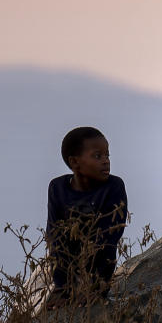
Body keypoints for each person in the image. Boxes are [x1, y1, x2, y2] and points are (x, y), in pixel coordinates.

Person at [45, 126, 128, 307]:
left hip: (98, 270)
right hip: (66, 268)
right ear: (75, 163)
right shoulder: (57, 188)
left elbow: (108, 240)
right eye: (97, 156)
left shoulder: (113, 187)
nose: (106, 161)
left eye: (107, 155)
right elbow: (55, 237)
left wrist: (95, 288)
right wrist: (62, 287)